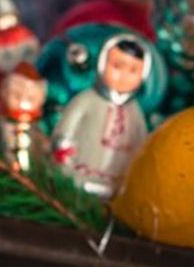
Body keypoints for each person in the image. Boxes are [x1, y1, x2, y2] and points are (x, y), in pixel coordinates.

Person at [51, 34, 151, 198]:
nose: (124, 76)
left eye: (133, 70)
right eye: (117, 66)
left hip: (116, 183)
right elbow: (67, 128)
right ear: (102, 65)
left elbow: (141, 142)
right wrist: (63, 150)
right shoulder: (87, 100)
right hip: (80, 176)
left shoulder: (135, 113)